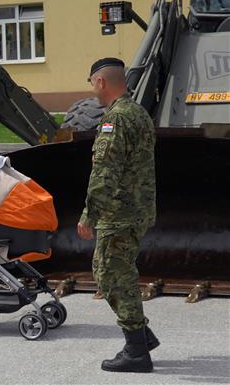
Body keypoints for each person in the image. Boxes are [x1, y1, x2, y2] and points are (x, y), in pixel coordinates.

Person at [77, 57, 159, 373]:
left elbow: (105, 171)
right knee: (115, 271)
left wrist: (89, 214)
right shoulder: (138, 113)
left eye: (92, 83)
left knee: (112, 274)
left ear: (101, 82)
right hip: (138, 208)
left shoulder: (117, 119)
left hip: (119, 212)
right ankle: (142, 336)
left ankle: (137, 350)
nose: (93, 90)